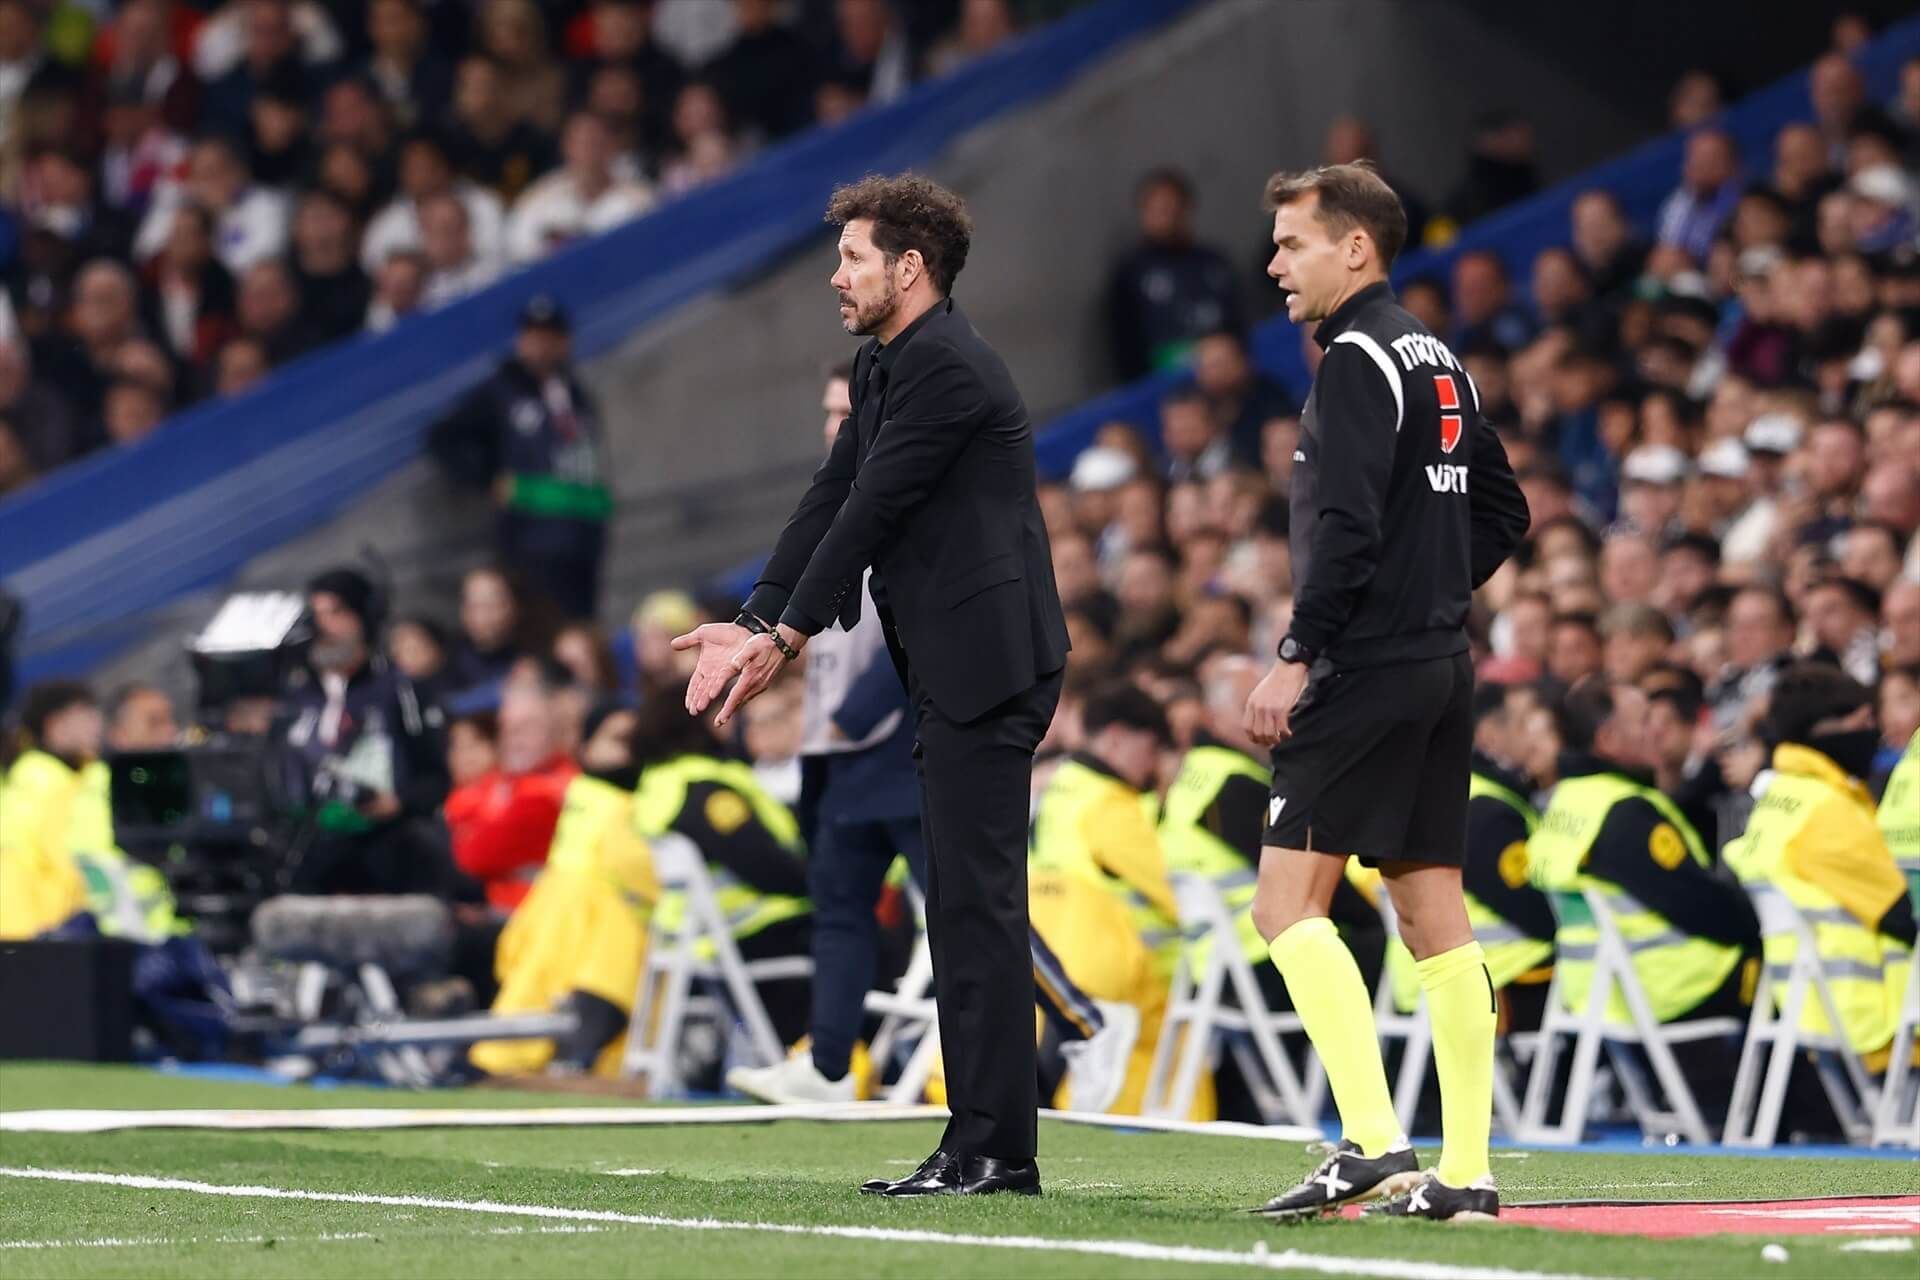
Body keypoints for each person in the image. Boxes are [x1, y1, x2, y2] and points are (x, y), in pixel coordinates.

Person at [674, 174, 1067, 1197]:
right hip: (949, 664)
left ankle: (997, 1149)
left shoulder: (946, 367)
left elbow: (875, 509)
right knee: (963, 907)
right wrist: (759, 612)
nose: (836, 277)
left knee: (975, 906)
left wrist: (787, 636)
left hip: (989, 665)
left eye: (851, 258)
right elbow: (831, 491)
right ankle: (977, 1140)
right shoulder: (888, 362)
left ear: (910, 267)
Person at [1239, 162, 1528, 1222]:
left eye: (1292, 242)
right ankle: (1467, 1169)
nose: (1274, 263)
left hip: (1365, 668)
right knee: (1431, 910)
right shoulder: (1437, 358)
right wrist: (1429, 596)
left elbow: (1351, 526)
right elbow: (1504, 510)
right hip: (1438, 665)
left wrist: (1297, 650)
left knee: (1284, 903)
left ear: (1354, 246)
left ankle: (1368, 1139)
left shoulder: (1358, 357)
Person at [727, 363, 1130, 1112]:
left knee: (961, 904)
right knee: (841, 907)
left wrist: (858, 712)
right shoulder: (842, 496)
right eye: (826, 410)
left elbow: (912, 623)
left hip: (889, 742)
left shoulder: (901, 492)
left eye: (842, 409)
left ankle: (1086, 1021)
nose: (832, 424)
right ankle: (824, 1064)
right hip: (838, 749)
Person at [1526, 679, 1758, 1111]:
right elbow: (1701, 906)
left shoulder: (1567, 802)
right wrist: (1758, 919)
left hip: (1596, 989)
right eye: (1643, 720)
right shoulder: (1625, 812)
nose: (1656, 730)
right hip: (1673, 987)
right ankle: (1802, 1116)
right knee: (1776, 953)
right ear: (1609, 739)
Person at [1723, 665, 1915, 1068]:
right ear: (1825, 729)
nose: (1873, 733)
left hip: (1802, 999)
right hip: (1872, 1009)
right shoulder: (1826, 809)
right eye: (1863, 721)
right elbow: (1903, 912)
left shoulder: (1780, 797)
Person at [470, 699, 659, 1078]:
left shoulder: (627, 798)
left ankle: (574, 1045)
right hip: (569, 921)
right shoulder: (592, 797)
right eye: (617, 738)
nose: (627, 749)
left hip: (596, 924)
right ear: (587, 746)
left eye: (633, 739)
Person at [1026, 684, 1192, 1116]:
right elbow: (1168, 888)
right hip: (1109, 964)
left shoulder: (1061, 788)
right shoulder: (1109, 804)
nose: (1153, 763)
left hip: (1050, 952)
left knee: (1047, 1074)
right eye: (1151, 747)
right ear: (1119, 737)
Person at [628, 683, 813, 1050]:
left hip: (700, 937)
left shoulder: (662, 781)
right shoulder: (707, 789)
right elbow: (766, 866)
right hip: (759, 933)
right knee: (861, 936)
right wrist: (825, 882)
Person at [427, 297, 611, 618]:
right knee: (542, 619)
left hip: (583, 534)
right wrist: (488, 478)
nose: (540, 345)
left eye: (549, 337)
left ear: (564, 342)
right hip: (531, 535)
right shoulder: (501, 390)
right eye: (533, 336)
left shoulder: (573, 391)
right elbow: (444, 436)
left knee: (581, 622)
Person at [273, 567, 452, 896]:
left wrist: (399, 803)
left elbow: (437, 777)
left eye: (337, 612)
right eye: (317, 614)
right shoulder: (296, 697)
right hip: (312, 855)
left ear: (365, 618)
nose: (323, 625)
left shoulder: (400, 690)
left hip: (390, 853)